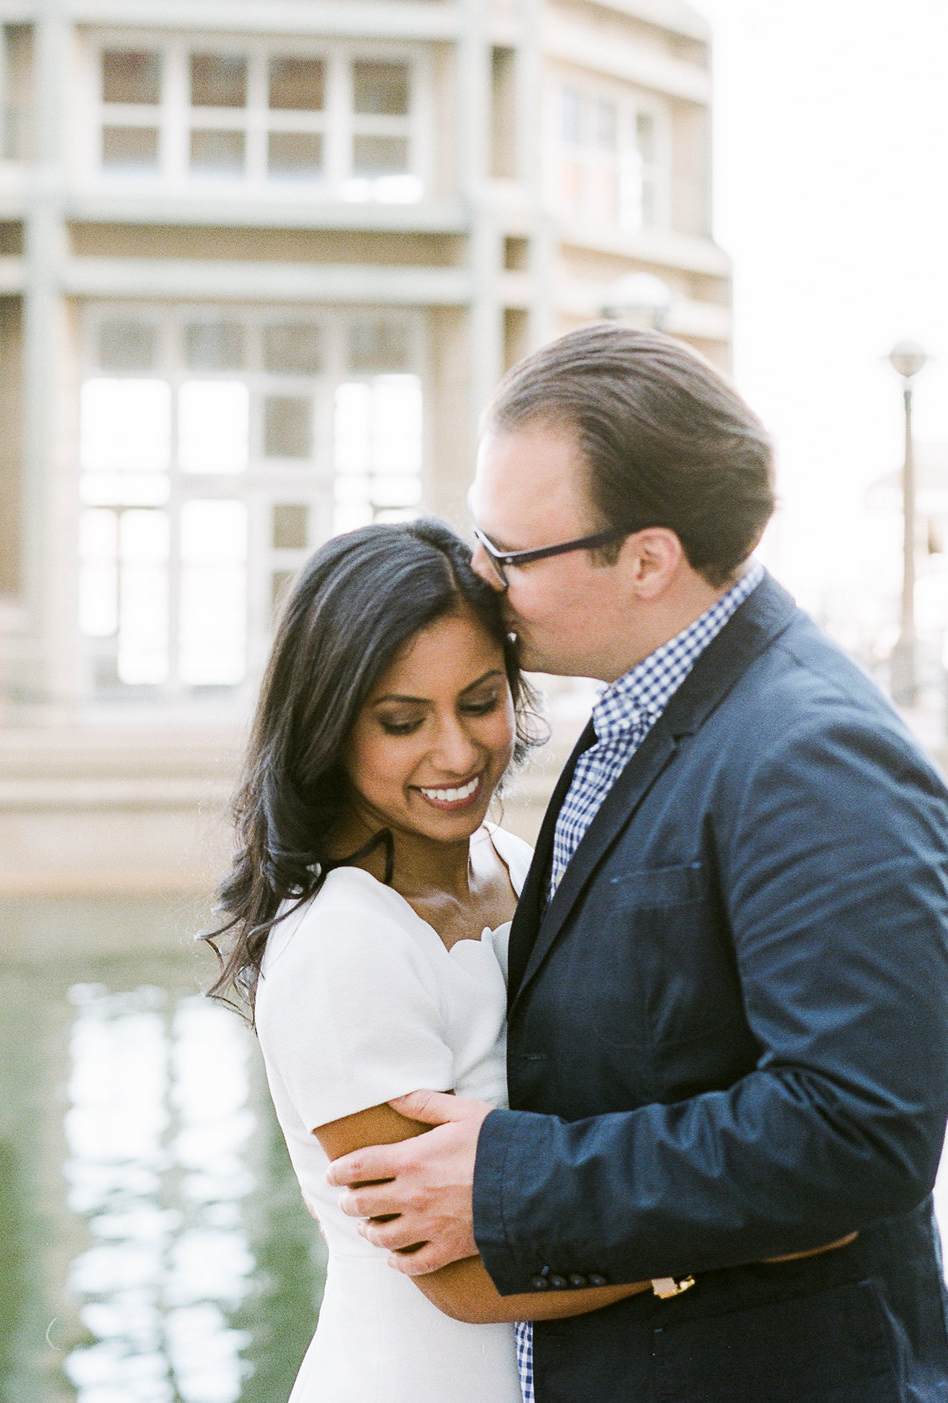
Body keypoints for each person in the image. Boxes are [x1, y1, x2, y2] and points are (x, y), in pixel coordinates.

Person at [323, 324, 948, 1403]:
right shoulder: (658, 705)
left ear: (646, 559)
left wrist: (510, 1178)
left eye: (509, 555)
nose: (478, 580)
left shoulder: (809, 754)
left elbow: (855, 1133)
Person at [209, 518, 657, 1402]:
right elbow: (459, 1275)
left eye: (481, 702)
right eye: (402, 721)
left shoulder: (508, 858)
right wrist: (723, 1238)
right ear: (330, 726)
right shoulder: (344, 943)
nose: (456, 753)